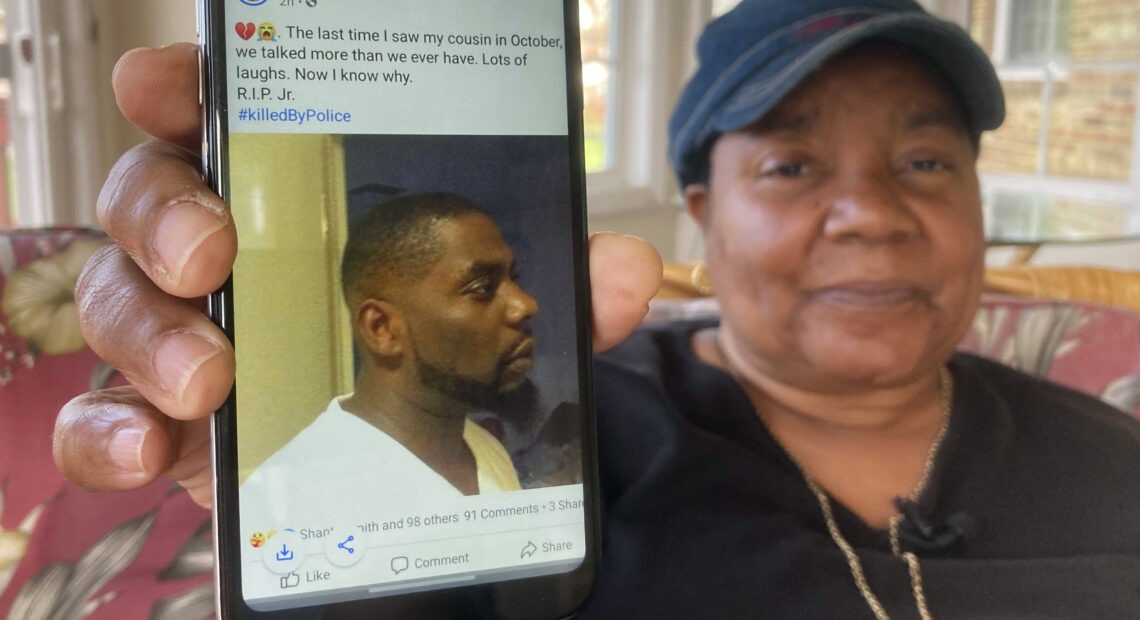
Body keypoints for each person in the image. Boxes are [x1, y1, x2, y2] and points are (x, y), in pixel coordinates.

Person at [56, 0, 1140, 618]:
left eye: (922, 158)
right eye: (795, 165)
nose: (869, 212)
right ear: (702, 213)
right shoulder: (564, 435)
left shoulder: (1117, 460)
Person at [242, 191, 542, 537]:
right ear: (381, 328)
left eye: (514, 279)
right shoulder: (283, 506)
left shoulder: (483, 449)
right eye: (482, 287)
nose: (525, 304)